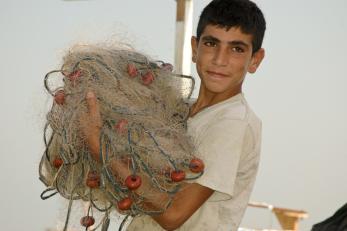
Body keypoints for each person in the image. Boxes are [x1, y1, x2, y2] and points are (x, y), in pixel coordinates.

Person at [84, 0, 266, 230]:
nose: (220, 60)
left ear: (255, 60)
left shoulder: (232, 122)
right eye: (211, 43)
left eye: (237, 49)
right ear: (195, 48)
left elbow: (172, 215)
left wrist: (99, 148)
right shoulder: (180, 113)